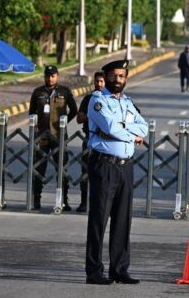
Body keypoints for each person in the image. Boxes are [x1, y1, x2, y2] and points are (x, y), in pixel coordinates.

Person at [85, 59, 148, 285]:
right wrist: (131, 133)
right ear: (106, 76)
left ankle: (119, 269)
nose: (117, 80)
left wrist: (126, 129)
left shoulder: (128, 103)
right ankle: (94, 271)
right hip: (104, 165)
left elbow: (144, 127)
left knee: (123, 220)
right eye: (113, 76)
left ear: (126, 78)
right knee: (99, 220)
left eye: (122, 76)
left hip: (126, 166)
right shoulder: (98, 101)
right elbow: (110, 127)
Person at [29, 65, 78, 211]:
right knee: (39, 168)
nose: (50, 79)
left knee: (62, 168)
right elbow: (32, 113)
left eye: (53, 76)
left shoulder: (65, 91)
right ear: (44, 77)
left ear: (57, 76)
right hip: (42, 136)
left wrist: (63, 123)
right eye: (47, 76)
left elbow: (74, 110)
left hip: (59, 135)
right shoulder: (37, 92)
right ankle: (36, 199)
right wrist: (36, 126)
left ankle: (63, 200)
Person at [74, 72, 105, 213]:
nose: (99, 84)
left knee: (104, 174)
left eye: (102, 81)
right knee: (86, 171)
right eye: (97, 81)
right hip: (89, 138)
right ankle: (84, 202)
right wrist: (94, 116)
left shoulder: (110, 99)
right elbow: (79, 118)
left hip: (105, 141)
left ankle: (102, 203)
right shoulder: (88, 98)